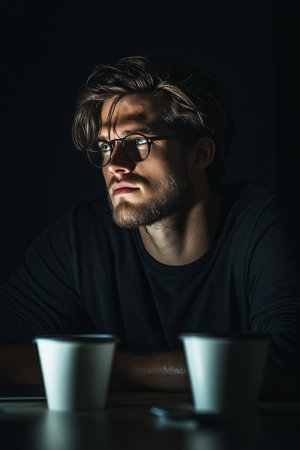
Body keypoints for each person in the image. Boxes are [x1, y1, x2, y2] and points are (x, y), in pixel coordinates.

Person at [0, 56, 300, 399]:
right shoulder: (81, 239)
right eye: (104, 146)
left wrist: (108, 368)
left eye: (137, 142)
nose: (115, 165)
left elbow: (284, 360)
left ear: (200, 154)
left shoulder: (261, 225)